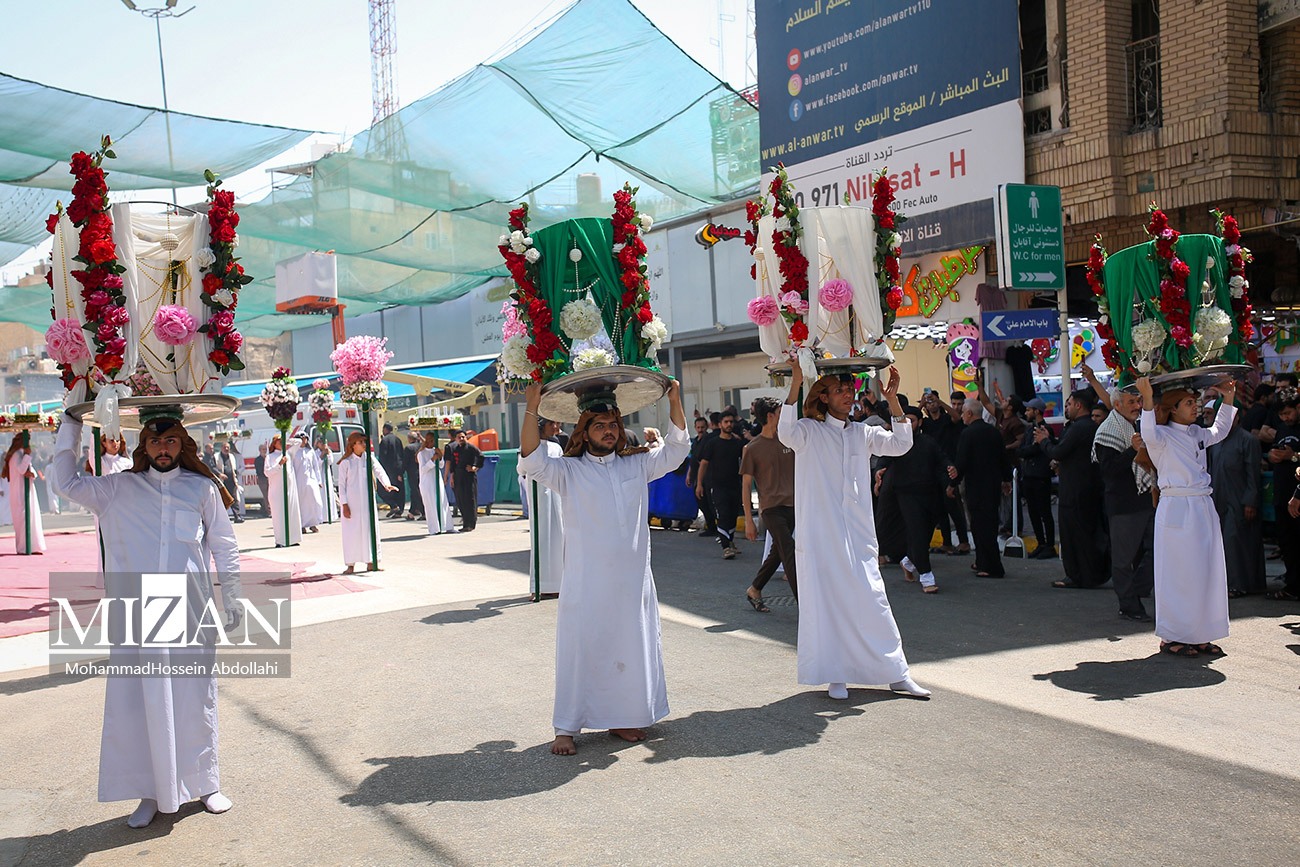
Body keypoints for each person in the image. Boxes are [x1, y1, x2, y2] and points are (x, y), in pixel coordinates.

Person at [52, 404, 240, 828]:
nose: (163, 448)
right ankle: (150, 792)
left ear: (182, 444)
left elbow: (224, 544)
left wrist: (232, 596)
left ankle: (206, 784)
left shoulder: (201, 489)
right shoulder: (118, 489)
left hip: (191, 613)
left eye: (170, 440)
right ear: (144, 446)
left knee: (195, 700)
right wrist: (71, 425)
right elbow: (65, 482)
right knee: (139, 705)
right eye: (155, 441)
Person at [518, 379, 690, 755]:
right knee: (580, 651)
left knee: (629, 647)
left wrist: (675, 401)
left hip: (631, 583)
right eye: (599, 425)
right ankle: (566, 727)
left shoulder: (638, 464)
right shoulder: (569, 471)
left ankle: (623, 717)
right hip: (586, 585)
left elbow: (677, 450)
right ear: (584, 431)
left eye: (613, 424)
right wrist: (532, 405)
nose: (609, 431)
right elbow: (531, 458)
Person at [777, 364, 930, 700]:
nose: (848, 395)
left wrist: (893, 400)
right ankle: (836, 675)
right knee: (829, 602)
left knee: (874, 599)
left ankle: (896, 673)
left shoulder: (863, 432)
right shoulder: (809, 431)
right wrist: (796, 383)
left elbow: (901, 444)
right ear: (823, 397)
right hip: (822, 535)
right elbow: (785, 433)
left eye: (850, 389)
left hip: (859, 534)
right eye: (839, 390)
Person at [1134, 376, 1236, 657]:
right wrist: (1147, 398)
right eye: (1189, 402)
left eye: (1195, 401)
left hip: (1203, 505)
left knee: (1206, 570)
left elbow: (1220, 430)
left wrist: (1228, 398)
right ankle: (1173, 636)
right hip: (1177, 507)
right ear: (1173, 408)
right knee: (1178, 574)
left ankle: (1201, 633)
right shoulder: (1160, 436)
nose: (1196, 406)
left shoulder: (1197, 433)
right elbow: (1148, 431)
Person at [1092, 388, 1157, 621]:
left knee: (1158, 550)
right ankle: (1129, 605)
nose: (1137, 406)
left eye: (1138, 401)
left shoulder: (1132, 426)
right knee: (1123, 559)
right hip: (1123, 505)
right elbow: (1108, 471)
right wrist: (1132, 450)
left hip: (1144, 499)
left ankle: (1136, 591)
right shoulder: (1107, 431)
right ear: (1117, 405)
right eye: (1131, 402)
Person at [878, 405, 952, 593]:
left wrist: (951, 468)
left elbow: (942, 459)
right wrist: (878, 473)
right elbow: (882, 462)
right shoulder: (895, 442)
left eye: (912, 420)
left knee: (925, 532)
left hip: (930, 492)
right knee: (917, 531)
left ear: (919, 422)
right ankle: (927, 577)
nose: (908, 424)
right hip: (905, 493)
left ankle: (908, 561)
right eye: (905, 420)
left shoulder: (928, 442)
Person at [1040, 389, 1109, 590]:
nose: (1067, 408)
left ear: (1078, 405)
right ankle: (1089, 574)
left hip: (1075, 490)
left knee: (1073, 534)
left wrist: (1043, 441)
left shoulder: (1079, 428)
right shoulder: (1088, 427)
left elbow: (1059, 451)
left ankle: (1076, 575)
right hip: (1087, 488)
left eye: (1069, 404)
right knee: (1086, 534)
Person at [740, 396, 797, 611]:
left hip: (794, 506)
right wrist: (749, 520)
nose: (784, 417)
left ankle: (755, 589)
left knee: (778, 552)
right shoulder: (752, 448)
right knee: (789, 550)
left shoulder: (789, 440)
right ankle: (806, 604)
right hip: (771, 509)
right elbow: (746, 486)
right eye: (781, 413)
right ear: (770, 416)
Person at [1208, 404, 1265, 597]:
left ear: (1237, 417)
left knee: (1236, 541)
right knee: (1222, 542)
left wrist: (1251, 501)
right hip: (1218, 498)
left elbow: (1253, 474)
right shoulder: (1215, 441)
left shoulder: (1248, 440)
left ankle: (1239, 584)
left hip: (1239, 499)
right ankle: (1226, 583)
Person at [951, 399, 1011, 578]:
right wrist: (1006, 479)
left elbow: (961, 462)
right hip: (992, 485)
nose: (962, 415)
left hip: (976, 486)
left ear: (970, 413)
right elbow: (1003, 457)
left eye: (963, 412)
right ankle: (981, 561)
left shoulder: (968, 434)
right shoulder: (993, 431)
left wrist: (953, 484)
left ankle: (991, 566)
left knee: (980, 526)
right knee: (989, 524)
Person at [337, 431, 398, 574]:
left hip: (367, 502)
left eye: (364, 442)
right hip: (352, 504)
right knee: (352, 533)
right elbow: (341, 486)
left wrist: (387, 484)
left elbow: (379, 471)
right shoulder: (346, 462)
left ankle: (371, 561)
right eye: (360, 442)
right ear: (353, 445)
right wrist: (344, 505)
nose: (364, 445)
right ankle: (350, 564)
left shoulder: (369, 458)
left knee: (370, 530)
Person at [920, 390, 970, 554]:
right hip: (931, 468)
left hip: (948, 466)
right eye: (929, 402)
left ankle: (963, 541)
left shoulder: (946, 419)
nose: (932, 404)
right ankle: (947, 542)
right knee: (939, 507)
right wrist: (922, 403)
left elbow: (957, 417)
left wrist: (940, 401)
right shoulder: (925, 423)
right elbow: (912, 420)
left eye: (933, 401)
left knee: (953, 506)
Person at [519, 418, 564, 596]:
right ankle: (539, 586)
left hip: (557, 496)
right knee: (541, 538)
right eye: (551, 423)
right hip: (539, 496)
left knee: (559, 537)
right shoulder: (531, 447)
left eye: (557, 423)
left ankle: (558, 584)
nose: (555, 427)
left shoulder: (556, 447)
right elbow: (521, 469)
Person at [1264, 392, 1300, 602]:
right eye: (1282, 415)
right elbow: (1274, 450)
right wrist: (1273, 455)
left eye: (1288, 413)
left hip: (1298, 497)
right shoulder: (1282, 429)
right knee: (1287, 544)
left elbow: (1293, 456)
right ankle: (1292, 586)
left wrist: (1292, 456)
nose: (1286, 418)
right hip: (1282, 496)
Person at [697, 409, 745, 559]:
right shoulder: (712, 443)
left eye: (731, 422)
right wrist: (699, 484)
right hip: (717, 486)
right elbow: (703, 464)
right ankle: (726, 547)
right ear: (720, 424)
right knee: (723, 515)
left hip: (735, 485)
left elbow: (744, 461)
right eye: (726, 422)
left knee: (732, 516)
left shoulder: (737, 443)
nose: (729, 424)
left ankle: (730, 542)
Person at [1018, 398, 1057, 558]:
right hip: (1028, 476)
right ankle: (1041, 543)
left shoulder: (1045, 429)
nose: (1026, 412)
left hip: (1040, 476)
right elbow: (1022, 450)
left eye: (1029, 410)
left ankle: (1049, 545)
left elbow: (1035, 450)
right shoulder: (1029, 430)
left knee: (1044, 512)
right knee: (1033, 512)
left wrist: (1030, 449)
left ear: (1036, 411)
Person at [4, 432, 45, 555]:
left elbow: (29, 469)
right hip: (19, 491)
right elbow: (21, 469)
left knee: (32, 517)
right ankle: (23, 547)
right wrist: (27, 455)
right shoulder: (16, 455)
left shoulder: (20, 453)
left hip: (28, 489)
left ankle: (34, 546)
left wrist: (32, 473)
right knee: (23, 518)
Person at [264, 436, 301, 548]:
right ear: (274, 443)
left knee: (291, 513)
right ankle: (280, 540)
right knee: (279, 515)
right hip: (277, 490)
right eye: (279, 441)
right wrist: (279, 464)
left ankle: (293, 539)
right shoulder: (270, 457)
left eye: (282, 441)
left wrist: (286, 437)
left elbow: (299, 442)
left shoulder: (288, 453)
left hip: (289, 489)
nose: (282, 443)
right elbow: (267, 472)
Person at [444, 429, 484, 532]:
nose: (461, 439)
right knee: (460, 499)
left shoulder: (471, 448)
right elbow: (453, 463)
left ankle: (471, 523)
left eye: (463, 437)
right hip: (458, 476)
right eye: (459, 437)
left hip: (468, 476)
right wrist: (452, 476)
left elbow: (481, 456)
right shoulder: (455, 449)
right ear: (456, 439)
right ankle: (465, 523)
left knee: (469, 499)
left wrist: (474, 467)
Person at [418, 432, 455, 536]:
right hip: (427, 481)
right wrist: (432, 459)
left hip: (437, 479)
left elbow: (441, 465)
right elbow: (423, 469)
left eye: (433, 440)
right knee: (431, 504)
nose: (431, 442)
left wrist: (440, 456)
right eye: (429, 440)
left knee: (442, 501)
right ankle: (434, 528)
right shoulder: (421, 453)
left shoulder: (436, 450)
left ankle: (446, 526)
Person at [686, 416, 716, 537]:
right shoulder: (695, 442)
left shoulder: (708, 440)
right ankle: (711, 526)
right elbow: (692, 459)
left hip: (706, 477)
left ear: (707, 427)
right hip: (695, 476)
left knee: (707, 502)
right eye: (698, 427)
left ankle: (713, 527)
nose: (700, 430)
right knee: (701, 503)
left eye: (702, 427)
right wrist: (689, 474)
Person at [291, 433, 322, 533]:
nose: (304, 440)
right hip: (298, 481)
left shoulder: (310, 451)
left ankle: (313, 524)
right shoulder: (293, 452)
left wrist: (319, 480)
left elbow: (315, 467)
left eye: (305, 438)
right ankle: (301, 525)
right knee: (300, 504)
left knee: (313, 501)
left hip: (311, 480)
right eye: (302, 438)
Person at [376, 422, 406, 518]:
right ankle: (399, 510)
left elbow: (383, 457)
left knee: (381, 490)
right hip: (398, 469)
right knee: (398, 491)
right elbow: (401, 455)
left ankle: (393, 505)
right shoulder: (398, 440)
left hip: (388, 470)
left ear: (385, 429)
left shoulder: (384, 440)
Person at [214, 441, 245, 524]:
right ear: (221, 448)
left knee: (234, 499)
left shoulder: (231, 456)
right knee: (222, 499)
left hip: (232, 481)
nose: (226, 449)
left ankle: (237, 516)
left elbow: (233, 468)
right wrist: (220, 474)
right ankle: (222, 518)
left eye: (228, 447)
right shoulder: (216, 456)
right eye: (225, 447)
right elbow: (213, 467)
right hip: (222, 482)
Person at [315, 438, 339, 523]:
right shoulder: (315, 453)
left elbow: (330, 461)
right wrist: (322, 455)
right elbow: (316, 465)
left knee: (328, 494)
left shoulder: (328, 451)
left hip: (327, 475)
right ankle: (321, 516)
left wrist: (327, 453)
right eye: (320, 443)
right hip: (320, 476)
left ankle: (330, 516)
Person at [402, 432, 425, 521]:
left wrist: (401, 472)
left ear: (409, 439)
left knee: (415, 492)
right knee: (415, 492)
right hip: (421, 471)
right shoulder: (421, 446)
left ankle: (423, 511)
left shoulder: (408, 448)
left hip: (412, 472)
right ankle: (412, 511)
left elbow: (405, 461)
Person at [253, 442, 270, 514]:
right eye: (263, 449)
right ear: (259, 450)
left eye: (265, 449)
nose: (264, 451)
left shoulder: (268, 458)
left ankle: (267, 510)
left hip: (270, 479)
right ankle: (269, 511)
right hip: (262, 479)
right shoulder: (257, 460)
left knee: (270, 495)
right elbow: (259, 471)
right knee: (266, 496)